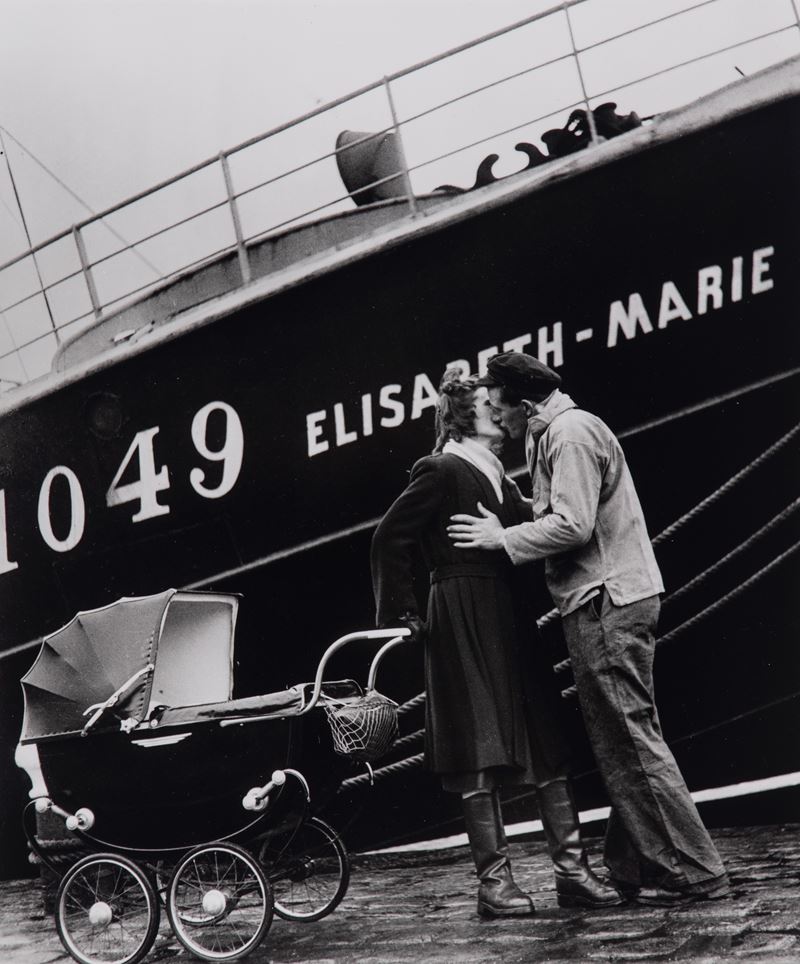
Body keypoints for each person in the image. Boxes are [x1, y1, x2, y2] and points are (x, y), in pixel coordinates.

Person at [447, 351, 730, 907]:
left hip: (605, 601)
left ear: (525, 405)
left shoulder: (569, 435)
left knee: (629, 740)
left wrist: (501, 539)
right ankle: (632, 864)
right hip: (610, 598)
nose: (496, 420)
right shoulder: (556, 430)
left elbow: (573, 526)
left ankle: (695, 873)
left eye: (500, 410)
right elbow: (564, 511)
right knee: (622, 737)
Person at [371, 368, 623, 918]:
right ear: (465, 416)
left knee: (544, 737)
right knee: (477, 743)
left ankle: (572, 873)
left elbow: (536, 531)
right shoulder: (441, 468)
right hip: (461, 613)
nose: (501, 410)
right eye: (490, 404)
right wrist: (405, 614)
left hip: (506, 613)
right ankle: (494, 884)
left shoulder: (499, 477)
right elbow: (390, 537)